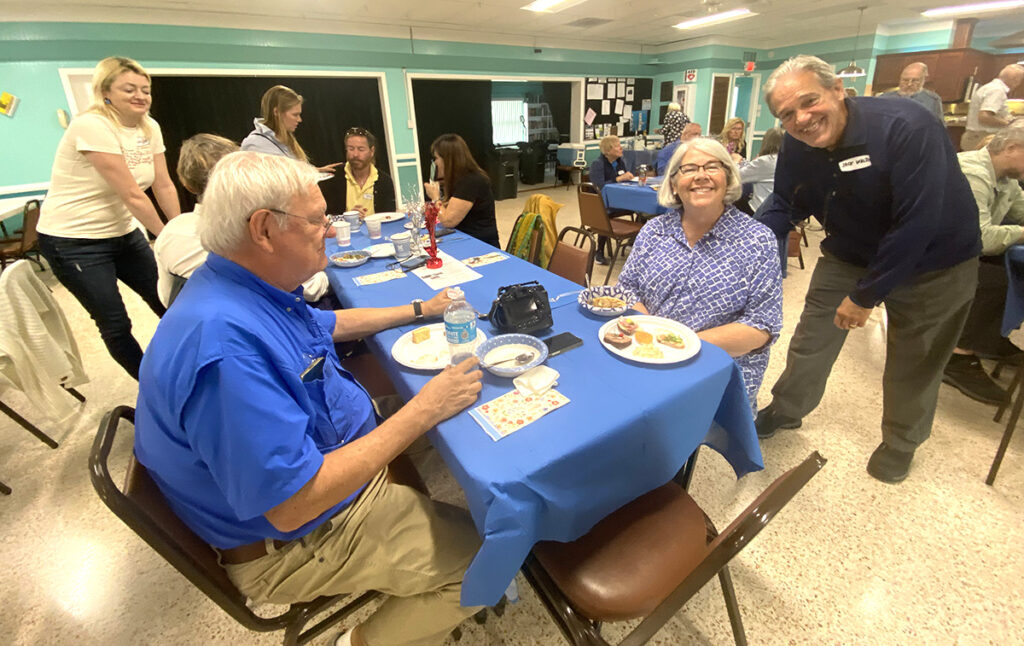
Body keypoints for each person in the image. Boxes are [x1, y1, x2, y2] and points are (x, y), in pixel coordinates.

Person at [134, 151, 485, 646]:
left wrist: (417, 308)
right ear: (263, 229)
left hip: (323, 448)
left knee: (457, 430)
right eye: (319, 219)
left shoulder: (239, 286)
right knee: (484, 560)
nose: (332, 227)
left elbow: (328, 323)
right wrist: (424, 408)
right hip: (296, 539)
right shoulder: (224, 352)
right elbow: (293, 506)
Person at [754, 55, 981, 484]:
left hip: (936, 259)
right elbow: (786, 201)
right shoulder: (797, 144)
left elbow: (917, 222)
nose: (801, 119)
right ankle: (787, 409)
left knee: (915, 357)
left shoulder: (907, 126)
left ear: (838, 89)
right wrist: (746, 247)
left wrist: (865, 296)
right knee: (813, 337)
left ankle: (901, 442)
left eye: (809, 101)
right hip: (850, 251)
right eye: (787, 114)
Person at [36, 56, 180, 380]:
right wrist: (168, 237)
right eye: (129, 89)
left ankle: (190, 367)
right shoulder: (92, 125)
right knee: (115, 322)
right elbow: (131, 193)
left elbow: (163, 184)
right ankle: (153, 388)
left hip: (125, 233)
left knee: (169, 299)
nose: (141, 96)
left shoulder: (149, 127)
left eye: (146, 89)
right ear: (105, 91)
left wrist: (182, 228)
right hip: (74, 241)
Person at [617, 138, 782, 411]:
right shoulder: (653, 231)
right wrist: (653, 341)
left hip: (715, 368)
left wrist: (676, 345)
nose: (701, 176)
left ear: (728, 179)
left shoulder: (757, 241)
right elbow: (627, 291)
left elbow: (762, 327)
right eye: (689, 168)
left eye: (712, 167)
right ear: (673, 183)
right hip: (648, 355)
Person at [154, 134, 330, 307]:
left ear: (187, 184)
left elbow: (165, 296)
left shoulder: (171, 231)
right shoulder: (245, 238)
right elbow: (309, 288)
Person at [943, 127, 1024, 404]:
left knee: (1012, 267)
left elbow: (1020, 212)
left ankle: (989, 338)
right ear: (1011, 148)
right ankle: (958, 355)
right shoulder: (973, 172)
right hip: (930, 256)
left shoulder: (1006, 179)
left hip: (961, 250)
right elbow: (982, 238)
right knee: (997, 278)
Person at [240, 85, 341, 173]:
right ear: (276, 112)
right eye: (295, 115)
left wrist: (314, 171)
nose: (300, 120)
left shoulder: (286, 140)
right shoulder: (254, 144)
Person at [423, 133, 500, 247]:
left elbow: (448, 221)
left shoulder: (471, 181)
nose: (435, 163)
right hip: (464, 237)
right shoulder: (462, 179)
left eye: (436, 158)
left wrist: (435, 198)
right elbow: (452, 206)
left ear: (447, 159)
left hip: (480, 244)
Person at [320, 127, 397, 217]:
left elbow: (389, 217)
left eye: (361, 149)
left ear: (372, 151)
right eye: (351, 149)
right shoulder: (333, 177)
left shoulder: (384, 181)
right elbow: (323, 217)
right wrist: (347, 217)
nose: (355, 154)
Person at [588, 135, 636, 264]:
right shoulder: (598, 164)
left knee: (641, 209)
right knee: (605, 215)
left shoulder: (620, 162)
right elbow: (598, 186)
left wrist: (628, 177)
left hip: (619, 200)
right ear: (608, 151)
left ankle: (633, 241)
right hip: (601, 203)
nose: (621, 148)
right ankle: (599, 251)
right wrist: (618, 179)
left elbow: (623, 177)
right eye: (617, 146)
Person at [962, 64, 1024, 152]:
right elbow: (984, 117)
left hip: (975, 137)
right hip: (982, 138)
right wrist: (1009, 124)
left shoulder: (989, 87)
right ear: (1015, 80)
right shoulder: (997, 91)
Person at [737, 127, 784, 214]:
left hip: (761, 209)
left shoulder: (765, 161)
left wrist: (735, 162)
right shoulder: (787, 160)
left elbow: (738, 176)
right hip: (780, 208)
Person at [878, 62, 944, 122]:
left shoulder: (932, 100)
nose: (909, 84)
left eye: (915, 80)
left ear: (924, 80)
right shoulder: (884, 98)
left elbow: (939, 127)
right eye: (905, 80)